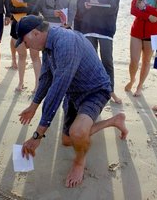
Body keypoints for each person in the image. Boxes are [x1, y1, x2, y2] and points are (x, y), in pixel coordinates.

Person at [16, 15, 129, 188]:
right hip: (74, 93)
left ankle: (79, 163)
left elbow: (56, 91)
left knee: (77, 133)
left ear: (35, 33)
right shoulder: (47, 44)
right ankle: (114, 121)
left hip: (95, 90)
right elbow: (46, 77)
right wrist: (33, 107)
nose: (25, 45)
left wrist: (38, 135)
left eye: (24, 41)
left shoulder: (65, 44)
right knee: (68, 140)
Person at [74, 0, 122, 104]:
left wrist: (98, 3)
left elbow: (113, 8)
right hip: (88, 27)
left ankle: (110, 91)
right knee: (90, 62)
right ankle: (91, 90)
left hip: (106, 29)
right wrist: (85, 5)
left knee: (107, 61)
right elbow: (79, 7)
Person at [125, 0, 157, 96]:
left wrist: (145, 8)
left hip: (153, 34)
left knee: (146, 61)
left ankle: (140, 86)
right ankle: (132, 79)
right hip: (136, 31)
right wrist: (149, 16)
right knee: (134, 61)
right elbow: (133, 10)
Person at [8, 0, 42, 92]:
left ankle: (37, 85)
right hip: (17, 25)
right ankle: (20, 82)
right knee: (22, 56)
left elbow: (37, 8)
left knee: (35, 56)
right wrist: (23, 7)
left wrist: (23, 4)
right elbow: (10, 8)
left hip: (33, 26)